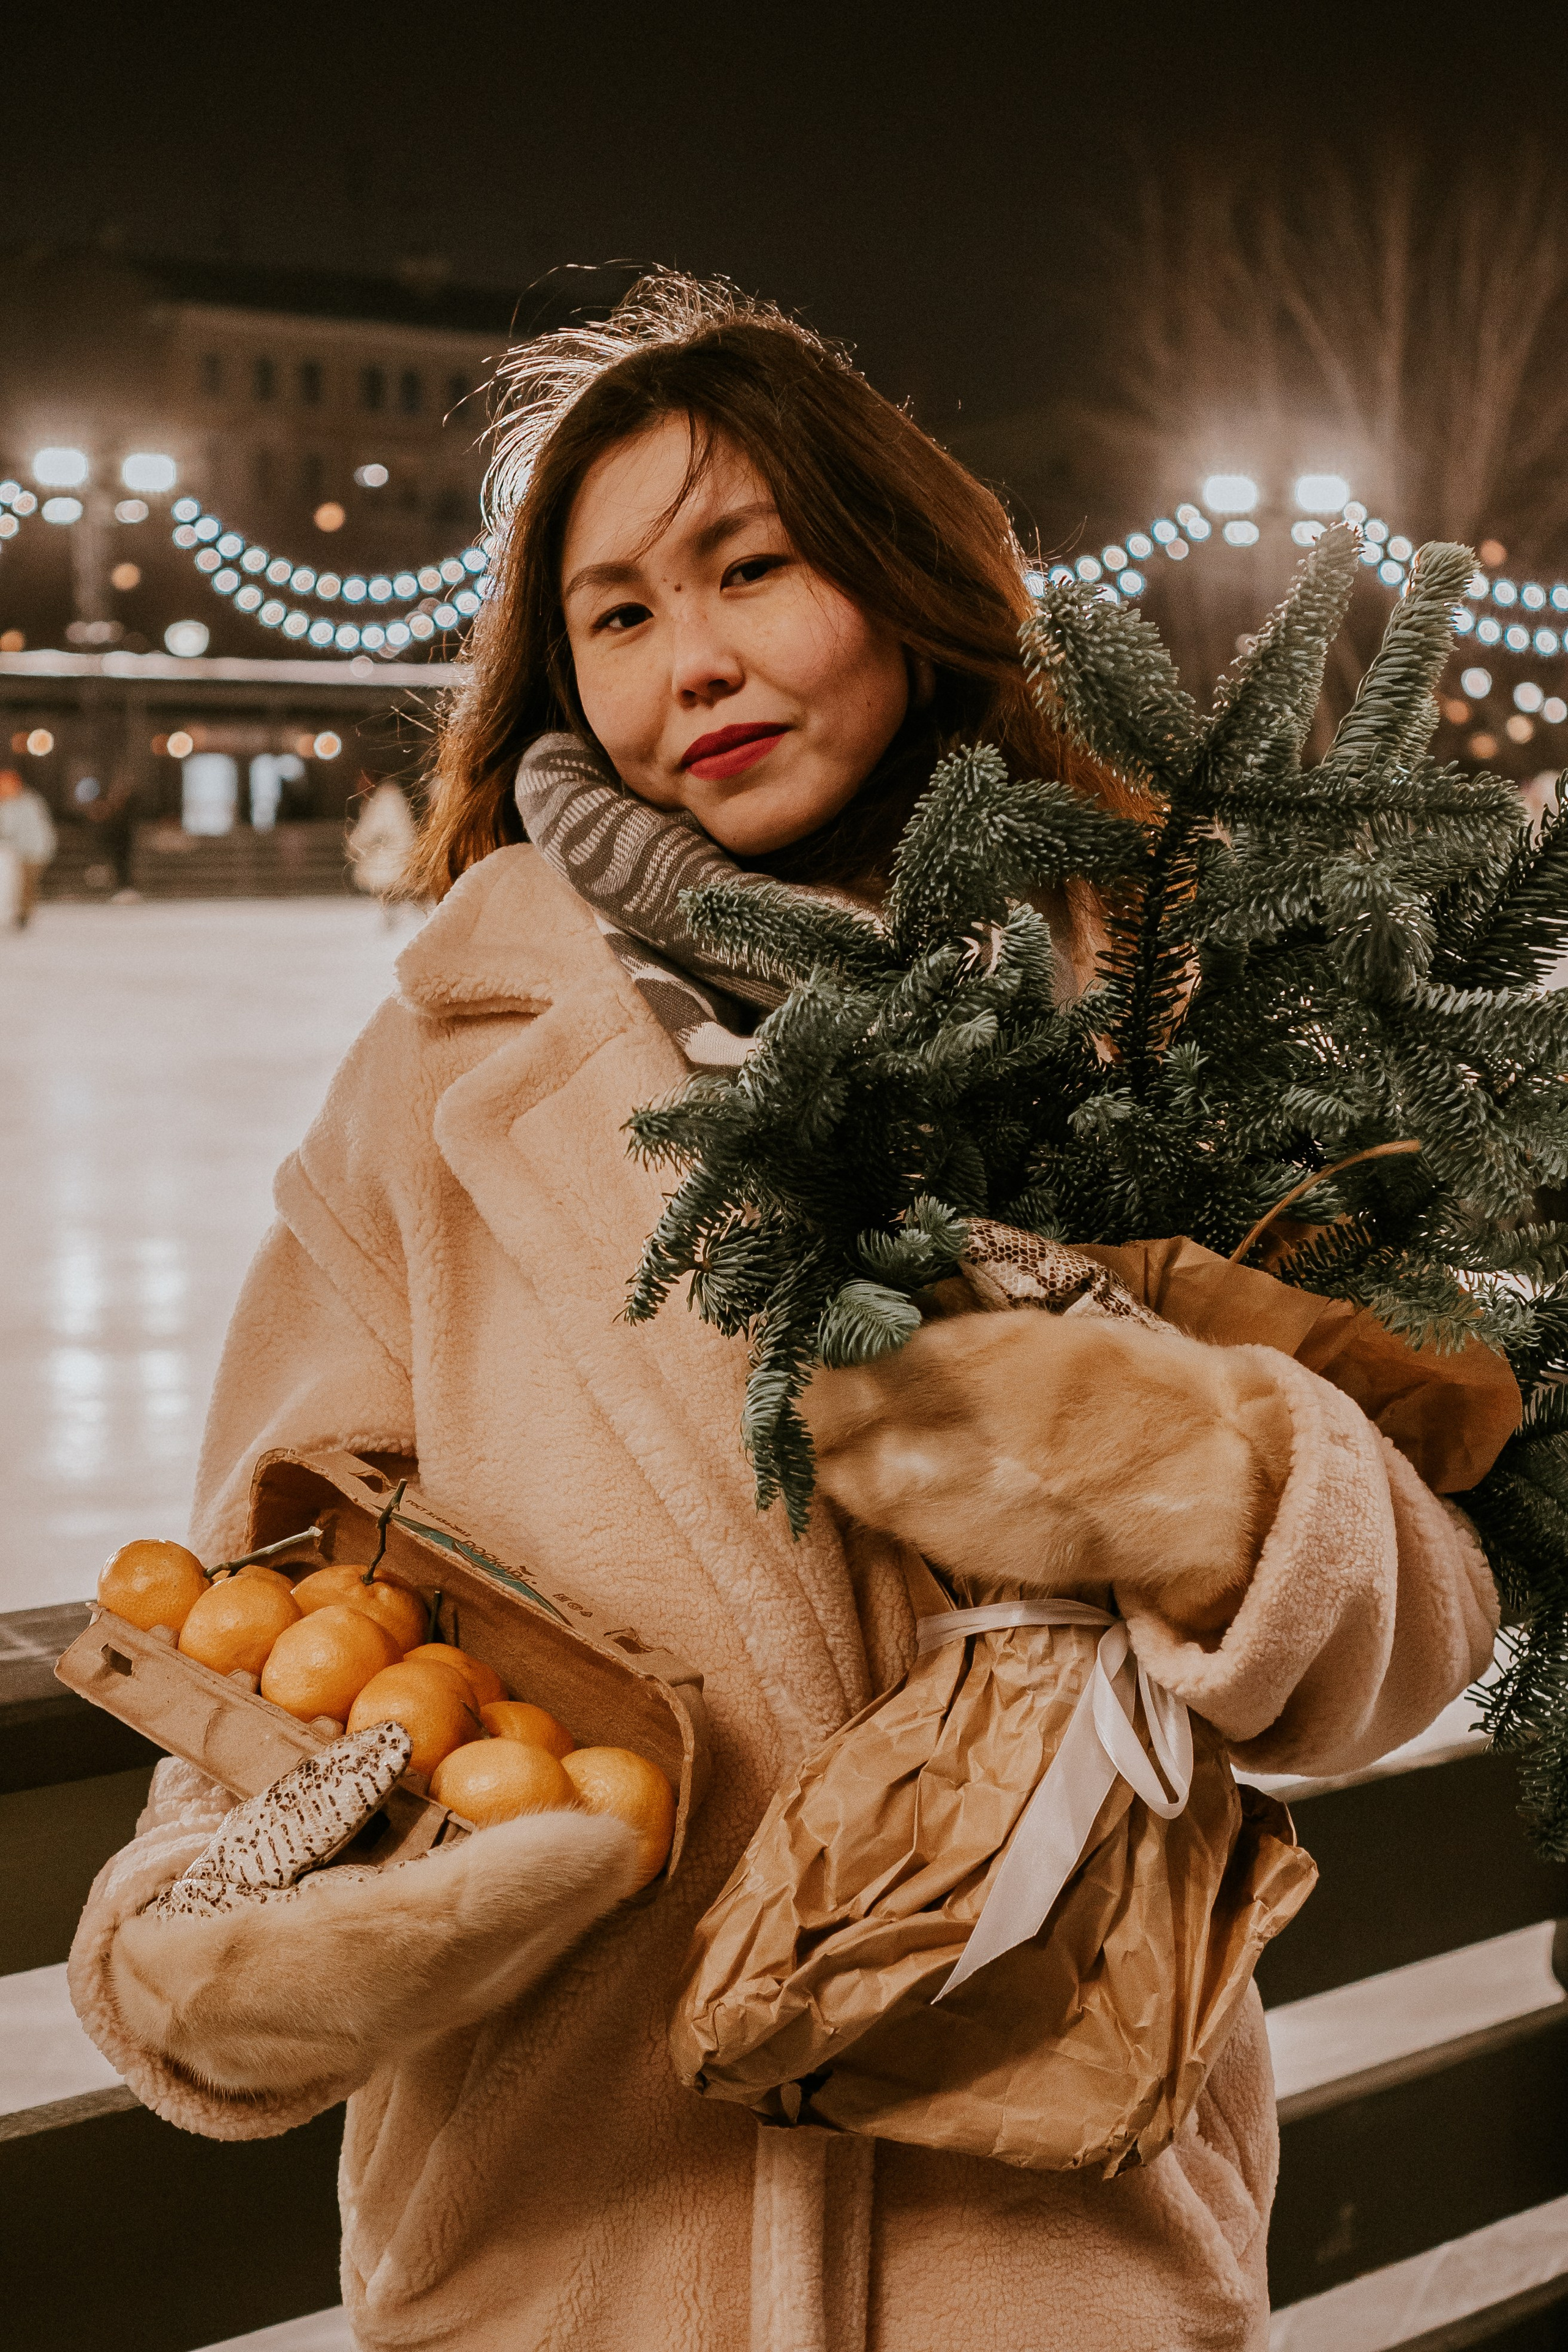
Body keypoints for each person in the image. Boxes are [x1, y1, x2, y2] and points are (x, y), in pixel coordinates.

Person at [70, 277, 1496, 2352]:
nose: (693, 663)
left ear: (908, 583)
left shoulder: (1151, 1028)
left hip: (1052, 2258)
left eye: (754, 565)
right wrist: (234, 1935)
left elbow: (1415, 1636)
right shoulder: (443, 1090)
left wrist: (1219, 1476)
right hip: (566, 2249)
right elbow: (271, 1609)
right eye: (618, 613)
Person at [346, 776, 418, 921]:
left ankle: (389, 916)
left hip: (387, 857)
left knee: (385, 885)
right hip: (396, 854)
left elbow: (373, 828)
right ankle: (391, 914)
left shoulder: (384, 801)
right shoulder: (393, 799)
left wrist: (356, 843)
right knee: (390, 888)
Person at [0, 765, 57, 925]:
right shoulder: (31, 800)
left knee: (26, 884)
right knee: (27, 884)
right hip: (38, 848)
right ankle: (23, 913)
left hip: (30, 850)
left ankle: (24, 915)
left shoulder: (13, 804)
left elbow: (8, 829)